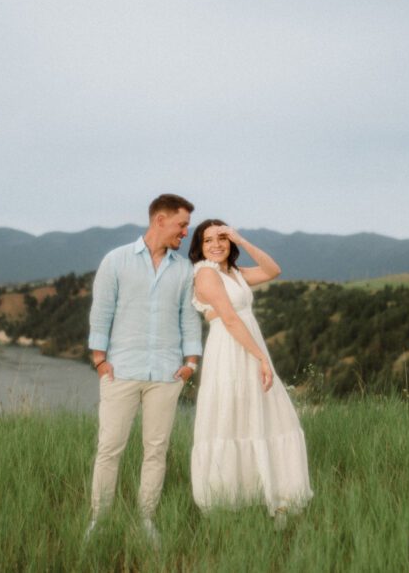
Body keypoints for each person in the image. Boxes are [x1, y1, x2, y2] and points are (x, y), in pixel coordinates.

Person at [86, 194, 203, 545]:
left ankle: (146, 519)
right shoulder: (116, 261)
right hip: (120, 370)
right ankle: (99, 521)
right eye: (182, 225)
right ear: (160, 220)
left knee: (156, 450)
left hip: (166, 375)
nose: (186, 232)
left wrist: (191, 362)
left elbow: (188, 316)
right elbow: (101, 312)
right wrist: (99, 360)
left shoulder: (183, 268)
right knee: (110, 448)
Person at [188, 220, 312, 525]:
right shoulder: (205, 273)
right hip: (231, 349)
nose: (216, 245)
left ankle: (275, 495)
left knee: (266, 415)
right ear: (199, 247)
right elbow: (229, 319)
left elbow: (273, 270)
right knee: (231, 419)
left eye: (222, 238)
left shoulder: (234, 273)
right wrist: (261, 358)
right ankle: (227, 501)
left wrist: (242, 240)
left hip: (249, 343)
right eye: (208, 240)